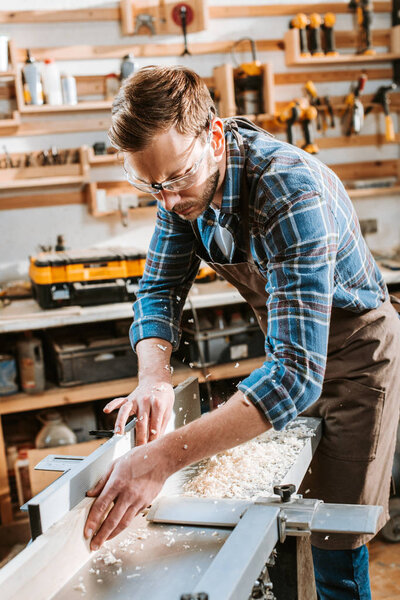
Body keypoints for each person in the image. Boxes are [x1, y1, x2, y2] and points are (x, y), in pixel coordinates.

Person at [84, 66, 400, 599]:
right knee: (283, 518)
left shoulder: (288, 191)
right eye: (149, 185)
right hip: (292, 349)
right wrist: (154, 376)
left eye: (176, 179)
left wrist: (162, 458)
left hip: (356, 357)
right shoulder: (178, 186)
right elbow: (158, 290)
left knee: (331, 539)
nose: (167, 201)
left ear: (213, 138)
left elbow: (298, 376)